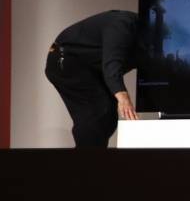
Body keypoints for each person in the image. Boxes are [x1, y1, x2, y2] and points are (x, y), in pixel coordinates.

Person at [45, 9, 139, 147]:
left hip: (89, 68)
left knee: (108, 117)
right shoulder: (122, 24)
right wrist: (123, 96)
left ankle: (92, 158)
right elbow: (111, 63)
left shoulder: (149, 43)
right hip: (65, 59)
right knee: (97, 112)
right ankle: (86, 162)